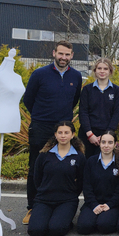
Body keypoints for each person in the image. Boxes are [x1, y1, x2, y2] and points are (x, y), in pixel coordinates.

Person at [22, 40, 82, 225]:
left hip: (63, 128)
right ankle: (33, 207)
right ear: (54, 53)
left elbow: (74, 101)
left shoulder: (77, 76)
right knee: (36, 167)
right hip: (41, 127)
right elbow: (28, 100)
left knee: (63, 166)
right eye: (60, 54)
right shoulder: (40, 74)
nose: (63, 58)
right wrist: (41, 116)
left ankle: (59, 204)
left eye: (67, 55)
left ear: (71, 56)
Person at [27, 121, 85, 236]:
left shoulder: (79, 157)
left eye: (66, 132)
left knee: (56, 230)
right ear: (55, 134)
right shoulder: (44, 155)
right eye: (60, 132)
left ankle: (64, 221)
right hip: (44, 200)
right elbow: (37, 178)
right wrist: (44, 191)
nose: (63, 136)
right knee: (35, 231)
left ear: (72, 134)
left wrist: (72, 194)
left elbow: (81, 181)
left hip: (67, 200)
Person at [76, 130, 119, 235]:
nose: (106, 145)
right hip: (93, 203)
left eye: (110, 142)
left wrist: (109, 205)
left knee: (104, 226)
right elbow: (87, 186)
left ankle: (108, 217)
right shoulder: (91, 161)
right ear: (100, 143)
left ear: (115, 144)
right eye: (103, 142)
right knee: (84, 227)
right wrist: (94, 205)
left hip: (112, 205)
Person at [78, 58, 119, 160]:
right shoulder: (87, 89)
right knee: (85, 165)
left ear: (110, 71)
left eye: (105, 69)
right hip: (87, 134)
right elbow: (83, 112)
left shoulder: (116, 90)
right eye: (99, 68)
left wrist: (106, 135)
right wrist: (90, 134)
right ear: (95, 70)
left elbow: (116, 113)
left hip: (106, 135)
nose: (102, 71)